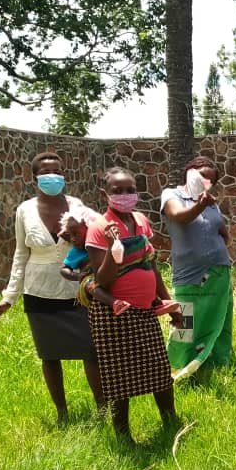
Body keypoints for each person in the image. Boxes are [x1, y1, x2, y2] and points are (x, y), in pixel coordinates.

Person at [0, 151, 104, 423]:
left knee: (90, 351)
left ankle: (103, 410)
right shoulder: (24, 211)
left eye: (58, 172)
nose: (54, 177)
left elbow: (102, 230)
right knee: (49, 355)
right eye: (47, 173)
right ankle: (62, 413)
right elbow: (20, 255)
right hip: (38, 292)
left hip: (77, 291)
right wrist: (9, 298)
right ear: (34, 177)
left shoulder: (77, 206)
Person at [85, 167, 184, 443]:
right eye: (118, 191)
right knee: (119, 377)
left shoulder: (140, 221)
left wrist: (166, 300)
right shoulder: (98, 228)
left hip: (144, 310)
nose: (125, 195)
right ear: (104, 194)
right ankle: (123, 435)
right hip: (115, 313)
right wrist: (112, 248)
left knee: (159, 370)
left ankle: (170, 421)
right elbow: (101, 281)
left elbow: (150, 264)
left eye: (130, 189)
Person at [161, 156, 233, 380]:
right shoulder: (172, 195)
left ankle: (216, 364)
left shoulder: (212, 202)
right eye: (202, 175)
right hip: (188, 273)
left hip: (219, 271)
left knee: (219, 317)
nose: (205, 181)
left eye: (211, 179)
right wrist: (200, 205)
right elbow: (178, 217)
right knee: (185, 322)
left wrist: (217, 244)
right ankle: (177, 366)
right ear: (189, 171)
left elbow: (223, 231)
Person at [59, 209, 127, 313]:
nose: (72, 239)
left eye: (76, 234)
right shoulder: (76, 252)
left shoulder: (102, 244)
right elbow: (64, 269)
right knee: (90, 284)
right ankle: (114, 303)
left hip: (111, 276)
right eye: (70, 235)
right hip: (91, 280)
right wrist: (77, 276)